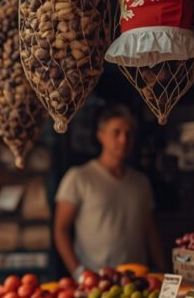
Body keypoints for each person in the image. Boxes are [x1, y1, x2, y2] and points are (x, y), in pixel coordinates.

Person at [54, 105, 166, 278]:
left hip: (138, 278)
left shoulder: (141, 182)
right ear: (101, 136)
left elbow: (150, 229)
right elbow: (60, 229)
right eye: (116, 133)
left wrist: (161, 269)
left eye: (129, 134)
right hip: (96, 279)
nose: (123, 140)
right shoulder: (79, 178)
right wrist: (78, 272)